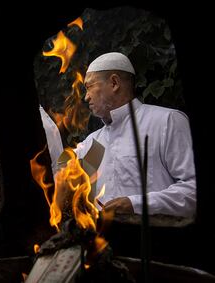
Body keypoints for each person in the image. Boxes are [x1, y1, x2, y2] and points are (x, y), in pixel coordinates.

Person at [74, 52, 196, 217]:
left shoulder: (167, 121)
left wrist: (136, 204)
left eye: (89, 87)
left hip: (163, 239)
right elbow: (58, 172)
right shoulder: (92, 142)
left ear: (114, 83)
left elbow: (193, 189)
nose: (86, 97)